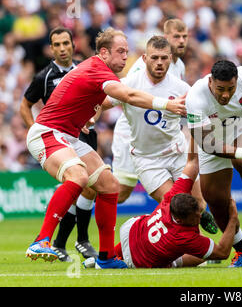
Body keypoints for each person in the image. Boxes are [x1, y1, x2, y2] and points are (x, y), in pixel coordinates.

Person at [25, 27, 186, 269]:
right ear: (104, 52)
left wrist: (87, 116)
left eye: (126, 52)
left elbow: (91, 99)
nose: (125, 57)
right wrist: (167, 105)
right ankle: (41, 240)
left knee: (109, 186)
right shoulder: (98, 69)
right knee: (77, 175)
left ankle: (106, 257)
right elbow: (129, 95)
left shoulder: (95, 69)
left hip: (68, 136)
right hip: (46, 133)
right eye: (120, 52)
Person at [109, 19, 217, 234]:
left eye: (163, 58)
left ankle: (203, 249)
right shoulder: (131, 82)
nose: (159, 63)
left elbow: (201, 111)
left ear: (171, 59)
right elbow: (104, 102)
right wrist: (89, 118)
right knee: (177, 205)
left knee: (199, 205)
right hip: (147, 157)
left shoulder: (181, 85)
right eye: (155, 58)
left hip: (176, 152)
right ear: (144, 58)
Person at [85, 136, 239, 269]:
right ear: (179, 219)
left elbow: (192, 162)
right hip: (140, 260)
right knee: (201, 256)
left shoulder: (173, 196)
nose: (200, 217)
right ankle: (107, 261)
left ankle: (102, 258)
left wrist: (195, 129)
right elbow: (223, 252)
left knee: (148, 238)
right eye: (196, 217)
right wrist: (232, 218)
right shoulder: (183, 236)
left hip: (131, 230)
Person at [186, 59, 242, 267]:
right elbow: (207, 144)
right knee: (215, 200)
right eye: (220, 89)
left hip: (240, 126)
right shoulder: (195, 97)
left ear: (237, 81)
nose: (226, 95)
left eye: (231, 88)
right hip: (211, 138)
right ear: (211, 82)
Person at [19, 27, 98, 262]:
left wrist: (93, 117)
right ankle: (78, 241)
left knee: (91, 187)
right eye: (57, 44)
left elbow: (99, 99)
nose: (62, 48)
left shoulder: (84, 69)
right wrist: (35, 130)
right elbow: (25, 105)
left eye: (66, 43)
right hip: (58, 140)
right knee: (79, 184)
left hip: (85, 136)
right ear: (51, 48)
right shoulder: (44, 77)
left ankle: (63, 243)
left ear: (74, 45)